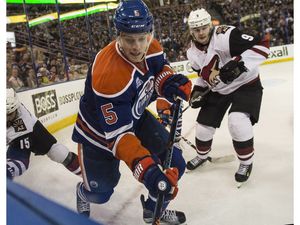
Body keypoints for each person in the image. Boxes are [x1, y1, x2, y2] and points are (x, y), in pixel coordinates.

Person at [71, 0, 191, 224]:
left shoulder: (151, 45)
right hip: (97, 137)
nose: (137, 47)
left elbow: (160, 69)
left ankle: (152, 209)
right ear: (118, 35)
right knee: (101, 194)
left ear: (149, 33)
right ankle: (82, 192)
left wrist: (169, 84)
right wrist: (150, 174)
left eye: (142, 38)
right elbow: (120, 138)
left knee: (176, 162)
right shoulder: (107, 75)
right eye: (129, 40)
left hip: (134, 119)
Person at [185, 8, 270, 186]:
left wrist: (238, 64)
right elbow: (202, 75)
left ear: (210, 25)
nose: (200, 32)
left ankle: (246, 163)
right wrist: (198, 91)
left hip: (246, 85)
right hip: (220, 90)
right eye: (196, 29)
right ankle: (202, 155)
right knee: (202, 127)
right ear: (191, 31)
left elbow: (263, 45)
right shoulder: (191, 53)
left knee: (237, 122)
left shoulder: (226, 35)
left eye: (203, 27)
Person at [6, 88, 81, 179]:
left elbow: (21, 162)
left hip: (32, 132)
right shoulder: (11, 105)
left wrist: (8, 170)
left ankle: (87, 175)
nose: (6, 118)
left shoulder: (23, 127)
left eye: (9, 114)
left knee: (58, 153)